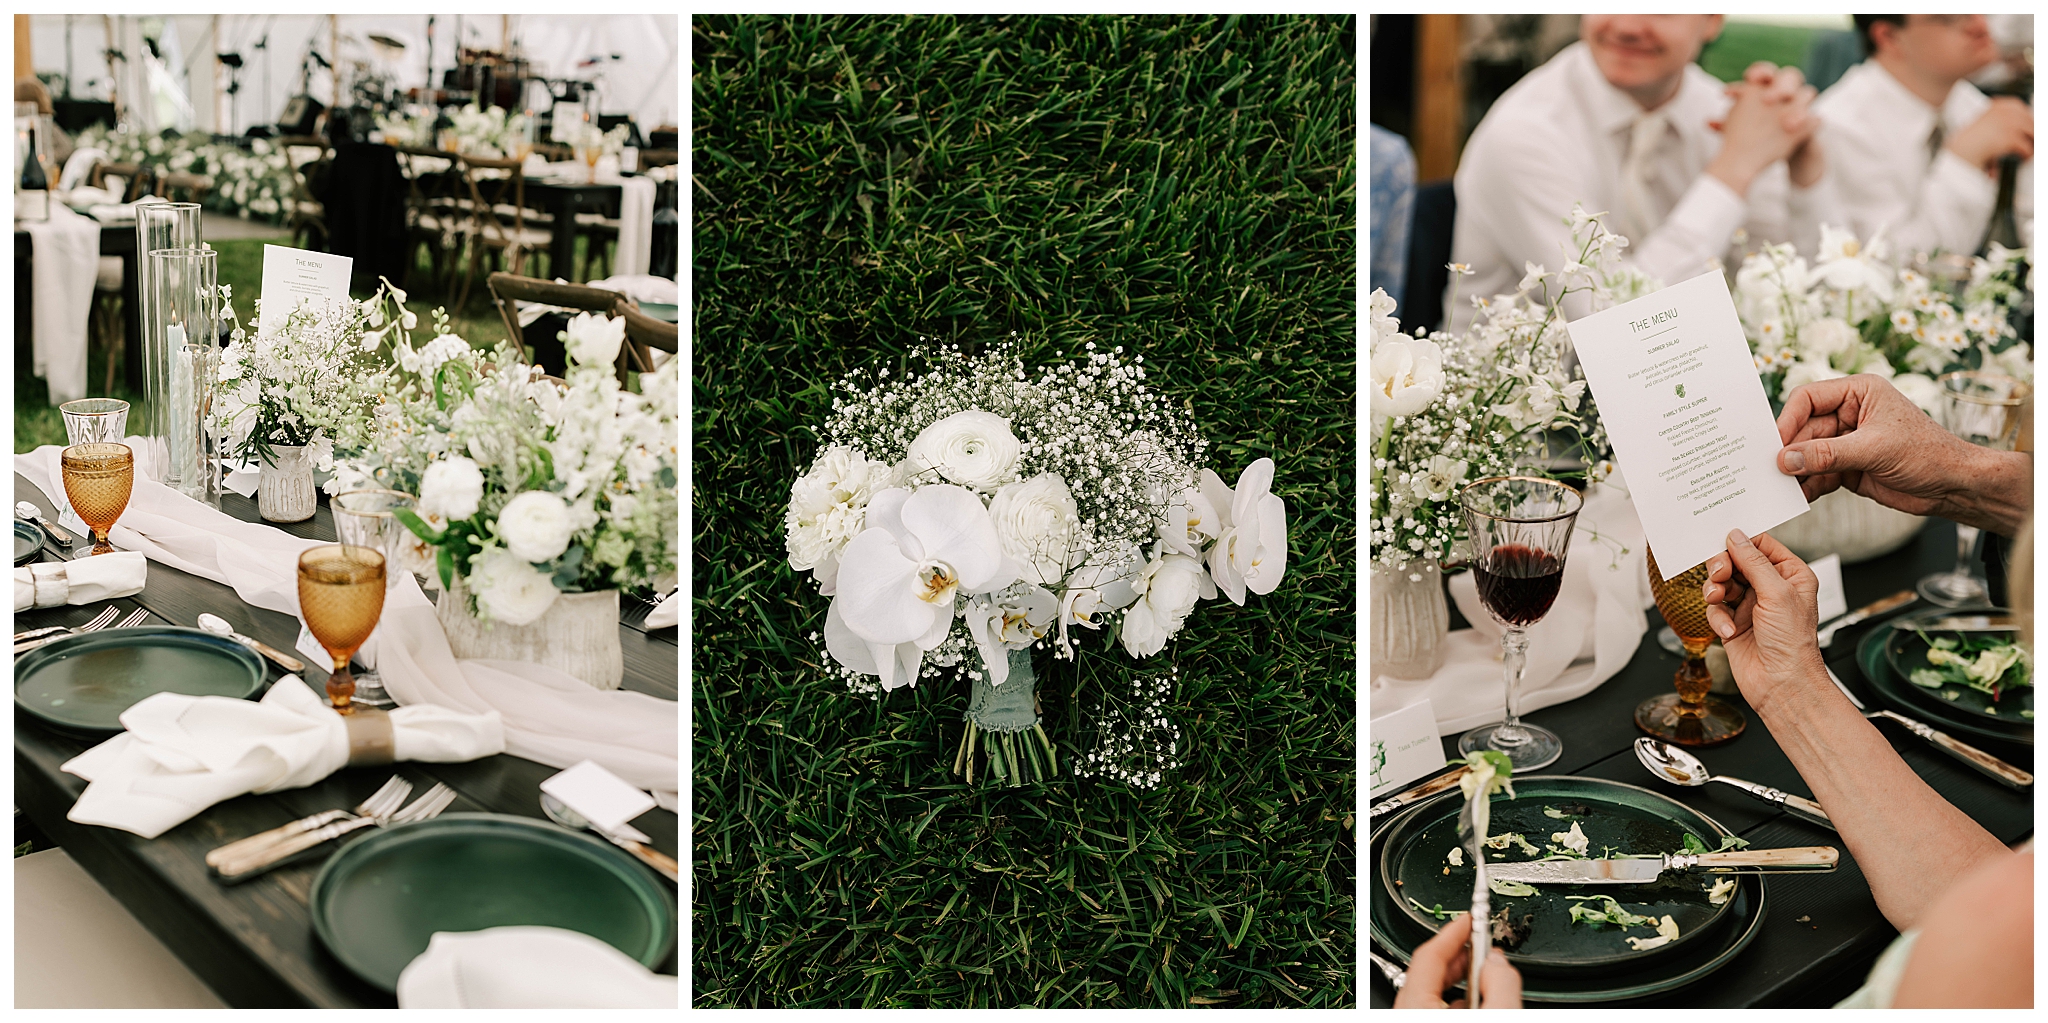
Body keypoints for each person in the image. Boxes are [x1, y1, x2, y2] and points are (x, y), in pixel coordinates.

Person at [1448, 15, 1841, 319]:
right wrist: (1732, 171)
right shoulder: (1525, 131)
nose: (1627, 25)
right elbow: (1620, 324)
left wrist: (1803, 165)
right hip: (1517, 413)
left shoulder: (1722, 116)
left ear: (1712, 19)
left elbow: (1804, 292)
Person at [1812, 15, 2034, 260]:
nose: (1981, 27)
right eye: (1948, 18)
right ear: (1889, 36)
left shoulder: (1972, 104)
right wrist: (1964, 160)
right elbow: (1895, 266)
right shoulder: (1841, 127)